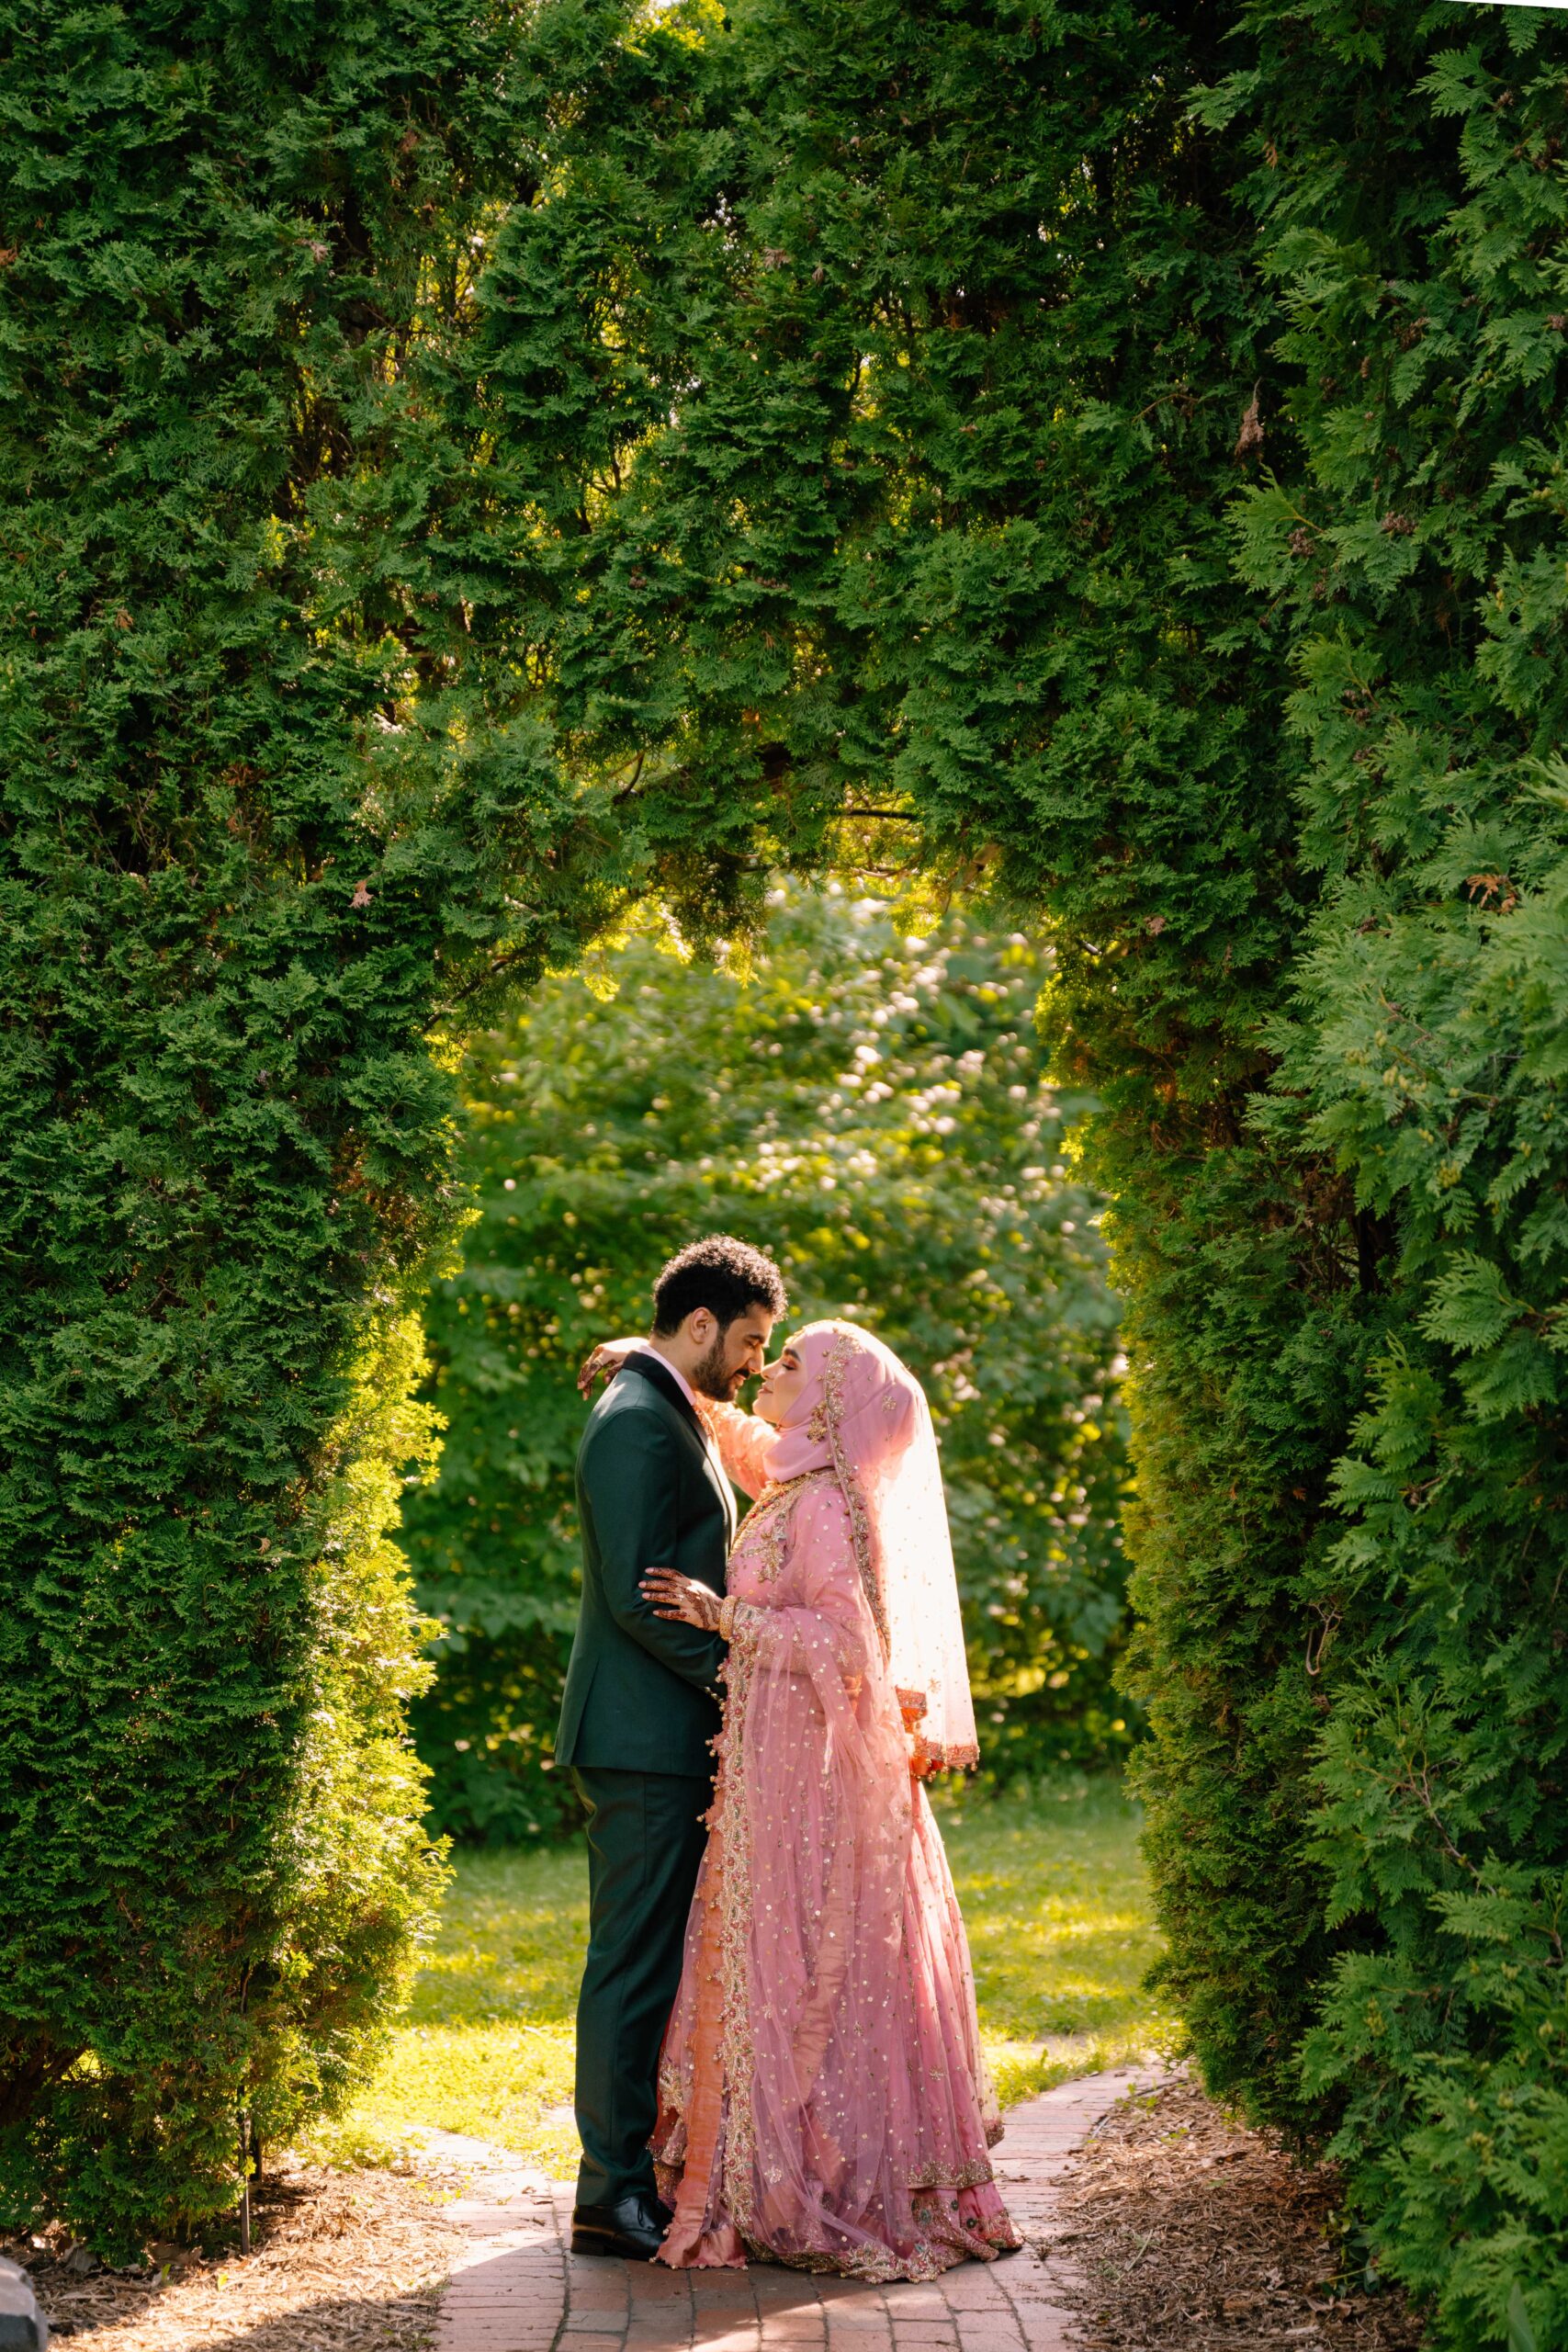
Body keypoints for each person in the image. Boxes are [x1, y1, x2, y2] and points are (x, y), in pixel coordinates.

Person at [632, 1320, 1021, 2280]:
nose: (772, 1368)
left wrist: (727, 1614)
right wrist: (647, 1359)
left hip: (809, 1777)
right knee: (784, 1961)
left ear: (833, 1401)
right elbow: (745, 1436)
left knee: (808, 1967)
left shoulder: (826, 1509)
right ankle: (778, 2167)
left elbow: (848, 1649)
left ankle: (813, 2179)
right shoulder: (801, 1481)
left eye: (793, 1362)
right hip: (776, 1767)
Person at [557, 1234, 787, 2261]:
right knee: (632, 1969)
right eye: (746, 1341)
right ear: (698, 1324)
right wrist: (741, 1683)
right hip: (642, 1739)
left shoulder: (662, 1401)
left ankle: (627, 2175)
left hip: (659, 1734)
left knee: (650, 1964)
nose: (750, 1363)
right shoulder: (637, 1423)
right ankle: (607, 2193)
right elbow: (639, 1599)